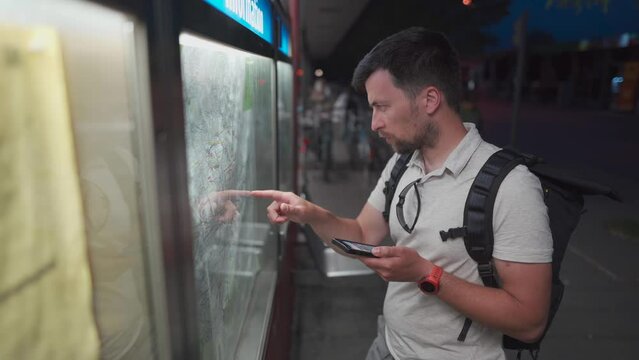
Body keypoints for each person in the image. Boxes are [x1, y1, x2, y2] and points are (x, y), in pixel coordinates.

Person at [253, 27, 552, 360]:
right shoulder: (402, 162)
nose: (374, 123)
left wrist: (428, 274)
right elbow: (364, 234)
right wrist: (308, 212)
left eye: (382, 106)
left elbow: (529, 321)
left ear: (429, 100)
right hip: (387, 348)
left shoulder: (512, 186)